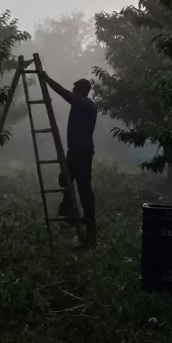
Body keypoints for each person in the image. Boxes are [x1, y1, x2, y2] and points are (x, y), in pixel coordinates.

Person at [44, 74, 98, 247]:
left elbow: (62, 92)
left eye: (75, 88)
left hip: (81, 153)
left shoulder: (83, 102)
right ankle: (67, 210)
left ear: (81, 90)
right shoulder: (84, 103)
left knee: (83, 187)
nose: (73, 90)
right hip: (75, 152)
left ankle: (89, 224)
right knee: (65, 179)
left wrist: (45, 78)